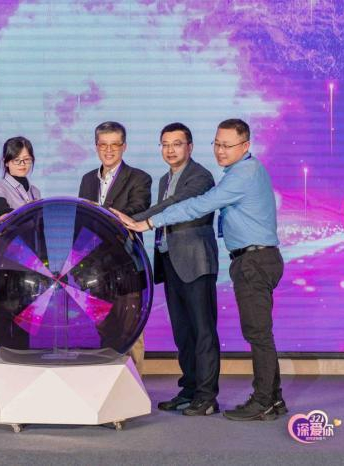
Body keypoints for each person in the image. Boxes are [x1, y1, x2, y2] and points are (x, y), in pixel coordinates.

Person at [115, 119, 287, 421]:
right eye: (217, 144)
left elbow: (198, 205)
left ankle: (262, 400)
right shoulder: (235, 172)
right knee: (228, 332)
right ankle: (267, 398)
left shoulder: (242, 173)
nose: (220, 150)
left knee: (255, 334)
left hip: (253, 261)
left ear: (245, 146)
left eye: (227, 145)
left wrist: (147, 222)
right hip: (246, 260)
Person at [119, 122, 220, 416]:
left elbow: (176, 205)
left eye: (177, 144)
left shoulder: (200, 176)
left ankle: (207, 397)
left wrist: (134, 220)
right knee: (182, 333)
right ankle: (189, 390)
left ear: (190, 147)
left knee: (203, 331)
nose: (170, 150)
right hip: (171, 262)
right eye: (165, 144)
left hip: (196, 263)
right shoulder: (164, 179)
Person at [78, 121, 151, 374]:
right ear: (96, 146)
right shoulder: (87, 179)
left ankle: (134, 388)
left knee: (132, 331)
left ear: (124, 146)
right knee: (103, 330)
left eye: (115, 145)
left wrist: (99, 212)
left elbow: (136, 210)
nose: (108, 150)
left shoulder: (140, 178)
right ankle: (108, 387)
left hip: (127, 265)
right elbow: (81, 224)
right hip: (96, 269)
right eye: (103, 145)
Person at [0, 137, 42, 350]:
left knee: (25, 323)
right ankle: (2, 364)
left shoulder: (35, 192)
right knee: (3, 320)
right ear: (6, 162)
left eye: (27, 159)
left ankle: (23, 365)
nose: (23, 164)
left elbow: (40, 231)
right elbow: (5, 213)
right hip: (4, 265)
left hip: (29, 267)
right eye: (17, 160)